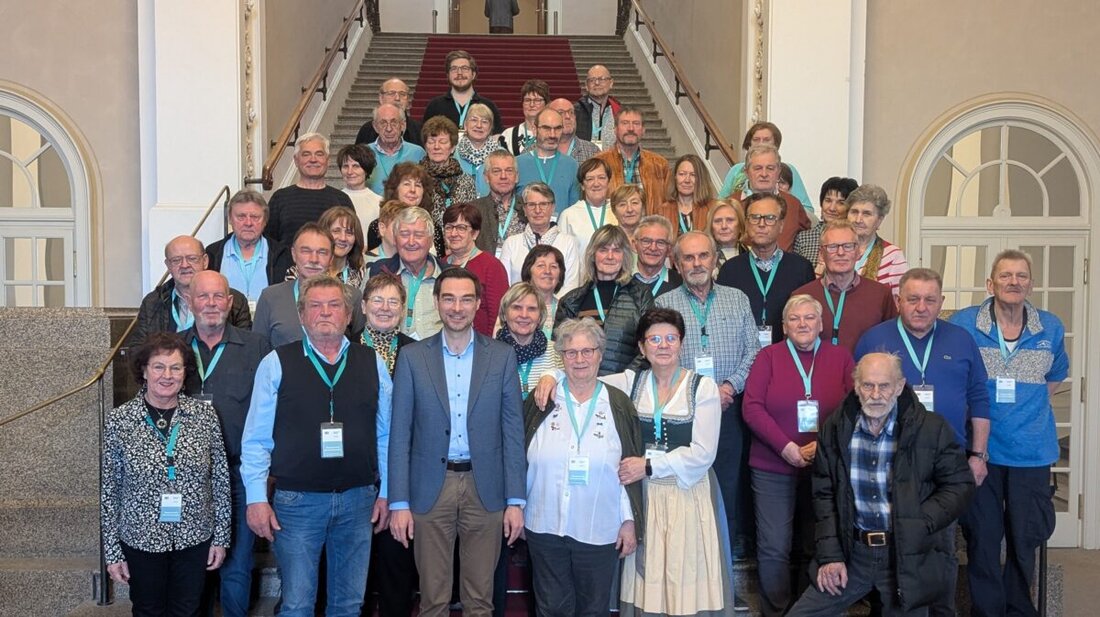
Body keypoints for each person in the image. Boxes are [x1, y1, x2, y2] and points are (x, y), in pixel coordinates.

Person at [242, 275, 393, 617]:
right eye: (316, 305)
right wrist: (255, 499)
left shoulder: (372, 363)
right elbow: (255, 439)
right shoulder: (276, 363)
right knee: (297, 605)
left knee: (349, 604)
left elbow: (386, 434)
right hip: (297, 503)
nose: (325, 312)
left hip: (359, 500)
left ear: (349, 315)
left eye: (334, 305)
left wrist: (387, 492)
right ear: (302, 315)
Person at [785, 353, 974, 616]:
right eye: (867, 385)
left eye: (884, 386)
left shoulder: (931, 428)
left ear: (899, 386)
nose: (876, 394)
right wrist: (830, 556)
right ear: (856, 386)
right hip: (853, 553)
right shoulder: (837, 427)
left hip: (906, 555)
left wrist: (919, 521)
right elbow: (824, 494)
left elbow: (960, 485)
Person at [388, 268, 527, 617]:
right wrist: (399, 502)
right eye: (448, 298)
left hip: (487, 489)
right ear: (437, 303)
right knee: (433, 599)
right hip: (430, 489)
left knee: (480, 600)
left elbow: (512, 430)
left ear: (478, 304)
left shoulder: (501, 356)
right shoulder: (412, 357)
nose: (457, 307)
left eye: (466, 299)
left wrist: (515, 500)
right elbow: (400, 433)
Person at [854, 268, 991, 617]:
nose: (921, 307)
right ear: (899, 301)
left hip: (946, 461)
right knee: (894, 543)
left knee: (942, 547)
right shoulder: (875, 340)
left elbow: (979, 398)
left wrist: (977, 455)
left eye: (930, 300)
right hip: (890, 459)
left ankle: (941, 611)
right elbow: (856, 399)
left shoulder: (961, 340)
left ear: (941, 303)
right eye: (912, 299)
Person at [949, 250, 1068, 617]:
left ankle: (1019, 609)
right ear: (991, 284)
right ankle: (986, 611)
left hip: (1032, 451)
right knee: (983, 540)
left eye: (1021, 276)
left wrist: (1025, 409)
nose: (1013, 282)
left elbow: (1054, 376)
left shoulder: (1050, 326)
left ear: (1030, 284)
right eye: (1005, 276)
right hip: (981, 450)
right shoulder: (965, 323)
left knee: (1024, 538)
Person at [653, 231, 759, 604]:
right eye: (688, 258)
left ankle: (723, 586)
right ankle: (684, 585)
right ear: (676, 264)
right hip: (683, 412)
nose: (696, 264)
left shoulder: (737, 299)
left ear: (716, 259)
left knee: (726, 493)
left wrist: (728, 387)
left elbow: (753, 350)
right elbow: (660, 354)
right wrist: (695, 392)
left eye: (703, 256)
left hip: (729, 411)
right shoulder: (665, 302)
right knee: (685, 492)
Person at [610, 309, 732, 617]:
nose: (663, 345)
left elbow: (703, 452)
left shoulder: (701, 387)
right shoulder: (631, 381)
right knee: (649, 573)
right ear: (642, 347)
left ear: (681, 343)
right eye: (654, 339)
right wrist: (549, 378)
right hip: (646, 496)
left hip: (687, 494)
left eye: (670, 338)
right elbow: (583, 376)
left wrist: (648, 465)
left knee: (684, 569)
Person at [102, 332, 231, 616]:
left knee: (189, 609)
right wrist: (112, 551)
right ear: (144, 371)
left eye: (176, 367)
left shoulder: (205, 417)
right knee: (148, 609)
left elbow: (221, 479)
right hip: (141, 537)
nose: (167, 375)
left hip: (194, 535)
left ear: (185, 373)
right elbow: (110, 490)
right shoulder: (120, 421)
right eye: (159, 366)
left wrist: (221, 537)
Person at [742, 294, 854, 617]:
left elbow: (854, 407)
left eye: (809, 318)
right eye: (795, 319)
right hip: (772, 465)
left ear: (821, 324)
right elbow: (752, 407)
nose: (802, 324)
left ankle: (811, 610)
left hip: (826, 465)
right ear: (784, 326)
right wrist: (786, 447)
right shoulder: (768, 357)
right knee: (774, 545)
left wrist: (822, 445)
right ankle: (775, 611)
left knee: (817, 540)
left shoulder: (841, 357)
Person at [523, 317, 641, 617]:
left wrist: (629, 520)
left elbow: (629, 465)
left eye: (587, 351)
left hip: (599, 525)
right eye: (571, 352)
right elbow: (518, 456)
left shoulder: (618, 403)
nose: (580, 359)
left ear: (600, 354)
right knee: (550, 607)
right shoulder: (542, 399)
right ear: (561, 357)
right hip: (544, 522)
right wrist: (516, 506)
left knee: (593, 608)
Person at [179, 271, 271, 617]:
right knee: (194, 562)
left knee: (238, 563)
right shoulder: (173, 346)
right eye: (203, 297)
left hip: (240, 473)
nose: (212, 304)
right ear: (189, 301)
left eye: (219, 297)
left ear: (230, 303)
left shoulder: (257, 346)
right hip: (189, 477)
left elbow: (270, 410)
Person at [358, 273, 420, 617]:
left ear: (404, 310)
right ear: (364, 306)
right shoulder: (345, 348)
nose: (384, 308)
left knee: (398, 565)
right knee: (357, 570)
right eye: (377, 300)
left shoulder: (418, 352)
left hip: (403, 471)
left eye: (393, 301)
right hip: (357, 470)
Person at [717, 192, 816, 347]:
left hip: (789, 355)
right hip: (743, 355)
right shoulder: (730, 270)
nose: (761, 224)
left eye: (769, 218)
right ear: (747, 223)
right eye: (755, 217)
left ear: (781, 225)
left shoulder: (801, 268)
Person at [555, 225, 652, 374]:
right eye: (603, 250)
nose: (610, 256)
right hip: (582, 386)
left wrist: (627, 379)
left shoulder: (641, 295)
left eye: (617, 250)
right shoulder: (571, 301)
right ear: (593, 255)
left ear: (625, 255)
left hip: (628, 387)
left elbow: (650, 344)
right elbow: (561, 350)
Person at [253, 223, 367, 348]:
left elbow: (358, 350)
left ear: (331, 258)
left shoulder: (352, 297)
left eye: (322, 252)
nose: (313, 259)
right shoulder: (270, 297)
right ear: (293, 254)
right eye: (306, 251)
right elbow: (257, 350)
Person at [791, 221, 897, 354]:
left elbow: (893, 343)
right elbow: (791, 350)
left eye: (848, 246)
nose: (840, 253)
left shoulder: (881, 295)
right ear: (821, 254)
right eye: (832, 247)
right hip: (814, 373)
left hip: (864, 373)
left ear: (858, 252)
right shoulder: (802, 296)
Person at [133, 236, 251, 346]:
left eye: (192, 259)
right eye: (176, 260)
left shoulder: (235, 301)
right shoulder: (152, 303)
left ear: (205, 261)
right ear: (168, 265)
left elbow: (244, 348)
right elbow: (138, 351)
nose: (184, 265)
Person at [205, 190, 293, 311]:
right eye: (241, 217)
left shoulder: (282, 254)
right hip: (227, 326)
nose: (248, 223)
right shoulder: (212, 254)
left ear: (265, 220)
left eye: (255, 217)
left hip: (267, 326)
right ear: (230, 219)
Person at [368, 206, 447, 340]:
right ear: (395, 238)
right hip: (391, 355)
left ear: (431, 239)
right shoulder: (378, 272)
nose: (411, 242)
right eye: (404, 234)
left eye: (418, 235)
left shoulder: (449, 276)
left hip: (437, 357)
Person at [266, 133, 355, 243]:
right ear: (296, 160)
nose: (313, 159)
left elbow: (351, 241)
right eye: (306, 154)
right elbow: (269, 243)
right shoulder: (280, 198)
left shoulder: (342, 199)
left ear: (328, 160)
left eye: (319, 154)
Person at [723, 144, 811, 252]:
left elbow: (808, 241)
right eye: (758, 168)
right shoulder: (730, 205)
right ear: (746, 172)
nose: (764, 174)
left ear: (778, 172)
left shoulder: (793, 205)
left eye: (770, 168)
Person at [719, 122, 814, 215]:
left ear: (776, 144)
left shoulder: (789, 169)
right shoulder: (737, 170)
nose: (761, 143)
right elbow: (721, 202)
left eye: (766, 139)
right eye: (756, 139)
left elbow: (808, 211)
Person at [499, 182, 581, 291]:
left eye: (543, 204)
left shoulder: (568, 243)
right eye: (532, 205)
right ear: (524, 209)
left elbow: (571, 288)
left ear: (552, 207)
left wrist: (551, 306)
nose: (537, 210)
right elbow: (504, 286)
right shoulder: (511, 243)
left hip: (558, 307)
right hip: (519, 306)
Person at [443, 203, 508, 337]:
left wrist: (489, 349)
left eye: (461, 228)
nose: (453, 233)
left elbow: (497, 316)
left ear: (475, 233)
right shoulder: (440, 264)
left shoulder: (491, 266)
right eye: (449, 227)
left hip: (480, 345)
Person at [421, 115, 479, 256]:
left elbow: (470, 218)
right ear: (425, 146)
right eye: (431, 141)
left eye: (442, 142)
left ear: (452, 147)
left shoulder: (465, 181)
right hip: (426, 246)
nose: (436, 147)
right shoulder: (417, 179)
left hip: (459, 246)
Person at [595, 108, 669, 214]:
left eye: (636, 123)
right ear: (615, 129)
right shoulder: (599, 163)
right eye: (625, 123)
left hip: (649, 227)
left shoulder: (660, 165)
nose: (630, 128)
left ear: (643, 130)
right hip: (613, 228)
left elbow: (668, 205)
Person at [498, 282, 564, 399]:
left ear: (540, 316)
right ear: (504, 314)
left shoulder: (557, 353)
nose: (524, 315)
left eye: (532, 309)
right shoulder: (490, 354)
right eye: (517, 307)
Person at [846, 183, 909, 296]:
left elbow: (900, 301)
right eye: (854, 212)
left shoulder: (893, 255)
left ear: (879, 220)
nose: (858, 219)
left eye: (867, 214)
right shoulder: (834, 248)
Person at [516, 108, 581, 216]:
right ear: (534, 129)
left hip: (561, 230)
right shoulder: (517, 164)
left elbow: (574, 209)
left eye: (557, 128)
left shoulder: (571, 165)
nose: (552, 135)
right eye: (546, 128)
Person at [422, 50, 504, 134]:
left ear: (473, 74)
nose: (459, 73)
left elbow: (497, 137)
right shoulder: (434, 106)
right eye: (454, 69)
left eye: (465, 68)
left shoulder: (488, 106)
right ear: (448, 75)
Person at [792, 177, 859, 274]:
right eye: (828, 200)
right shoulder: (804, 238)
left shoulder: (855, 238)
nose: (832, 208)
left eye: (840, 203)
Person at [469, 150, 525, 257]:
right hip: (485, 271)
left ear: (516, 176)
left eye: (509, 171)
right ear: (486, 177)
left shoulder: (528, 207)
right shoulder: (473, 210)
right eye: (496, 171)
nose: (503, 176)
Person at [557, 157, 617, 255]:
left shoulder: (618, 211)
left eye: (601, 178)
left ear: (608, 182)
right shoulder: (569, 215)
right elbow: (561, 254)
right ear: (582, 186)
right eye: (590, 179)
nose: (596, 184)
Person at [367, 103, 428, 194]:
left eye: (394, 122)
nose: (389, 129)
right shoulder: (364, 153)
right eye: (383, 123)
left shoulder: (418, 153)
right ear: (375, 127)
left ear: (403, 125)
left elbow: (425, 187)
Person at [653, 154, 718, 238]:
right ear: (675, 177)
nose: (687, 180)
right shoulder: (662, 211)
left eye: (693, 175)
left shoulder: (714, 208)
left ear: (701, 179)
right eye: (682, 174)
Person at [355, 78, 423, 147]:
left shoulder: (419, 130)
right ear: (381, 98)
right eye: (391, 93)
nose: (397, 98)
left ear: (408, 100)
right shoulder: (367, 130)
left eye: (402, 94)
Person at [520, 244, 570, 336]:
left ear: (560, 275)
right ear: (528, 271)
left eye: (553, 266)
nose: (547, 271)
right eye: (541, 265)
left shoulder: (566, 310)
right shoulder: (515, 307)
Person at [456, 103, 503, 197]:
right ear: (465, 125)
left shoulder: (501, 154)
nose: (479, 125)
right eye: (474, 120)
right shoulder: (454, 153)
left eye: (485, 121)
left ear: (490, 128)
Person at [319, 206, 368, 290]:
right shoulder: (305, 270)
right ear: (323, 234)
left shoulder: (364, 274)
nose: (343, 238)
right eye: (336, 231)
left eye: (349, 233)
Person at [338, 144, 383, 236]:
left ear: (366, 170)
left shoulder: (379, 202)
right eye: (346, 166)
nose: (350, 172)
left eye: (356, 166)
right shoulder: (334, 199)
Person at [632, 215, 681, 297]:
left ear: (669, 249)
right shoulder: (620, 280)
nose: (653, 248)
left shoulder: (680, 283)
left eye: (660, 242)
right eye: (646, 241)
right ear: (634, 245)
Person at [573, 65, 620, 150]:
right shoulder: (575, 111)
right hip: (584, 162)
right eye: (592, 80)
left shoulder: (619, 112)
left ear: (611, 83)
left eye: (602, 79)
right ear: (586, 86)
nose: (597, 83)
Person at [499, 79, 549, 156]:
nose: (532, 104)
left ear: (546, 104)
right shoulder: (507, 135)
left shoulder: (553, 134)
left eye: (537, 100)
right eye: (527, 100)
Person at [549, 97, 599, 163]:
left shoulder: (592, 151)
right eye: (561, 112)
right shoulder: (536, 150)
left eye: (571, 112)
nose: (568, 116)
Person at [707, 199, 746, 274]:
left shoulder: (752, 254)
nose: (724, 226)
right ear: (711, 228)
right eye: (718, 221)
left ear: (740, 226)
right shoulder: (702, 257)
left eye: (730, 220)